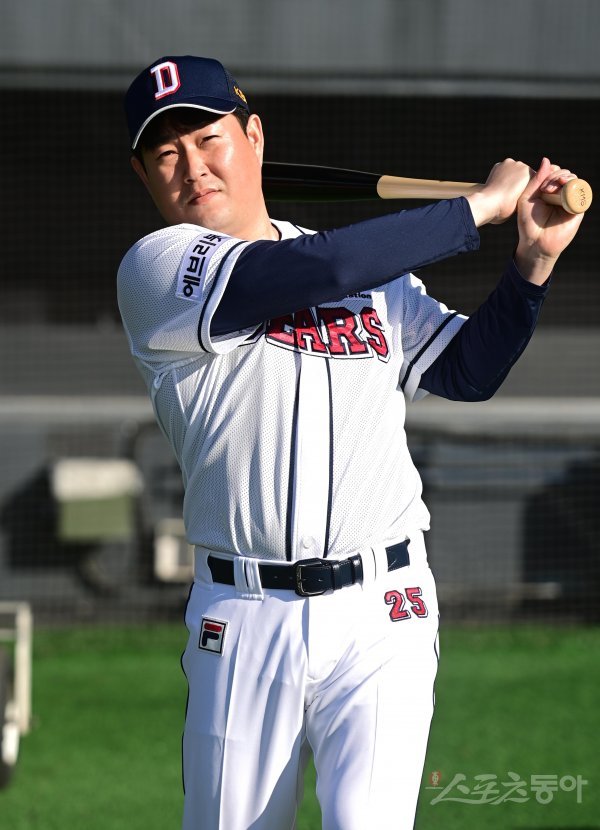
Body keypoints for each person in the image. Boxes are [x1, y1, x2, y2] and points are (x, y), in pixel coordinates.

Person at [117, 55, 584, 830]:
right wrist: (475, 208)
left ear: (253, 137)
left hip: (384, 608)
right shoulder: (157, 270)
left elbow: (466, 371)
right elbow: (317, 267)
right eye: (166, 152)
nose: (192, 166)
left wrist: (532, 264)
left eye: (207, 138)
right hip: (245, 612)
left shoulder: (371, 270)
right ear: (143, 174)